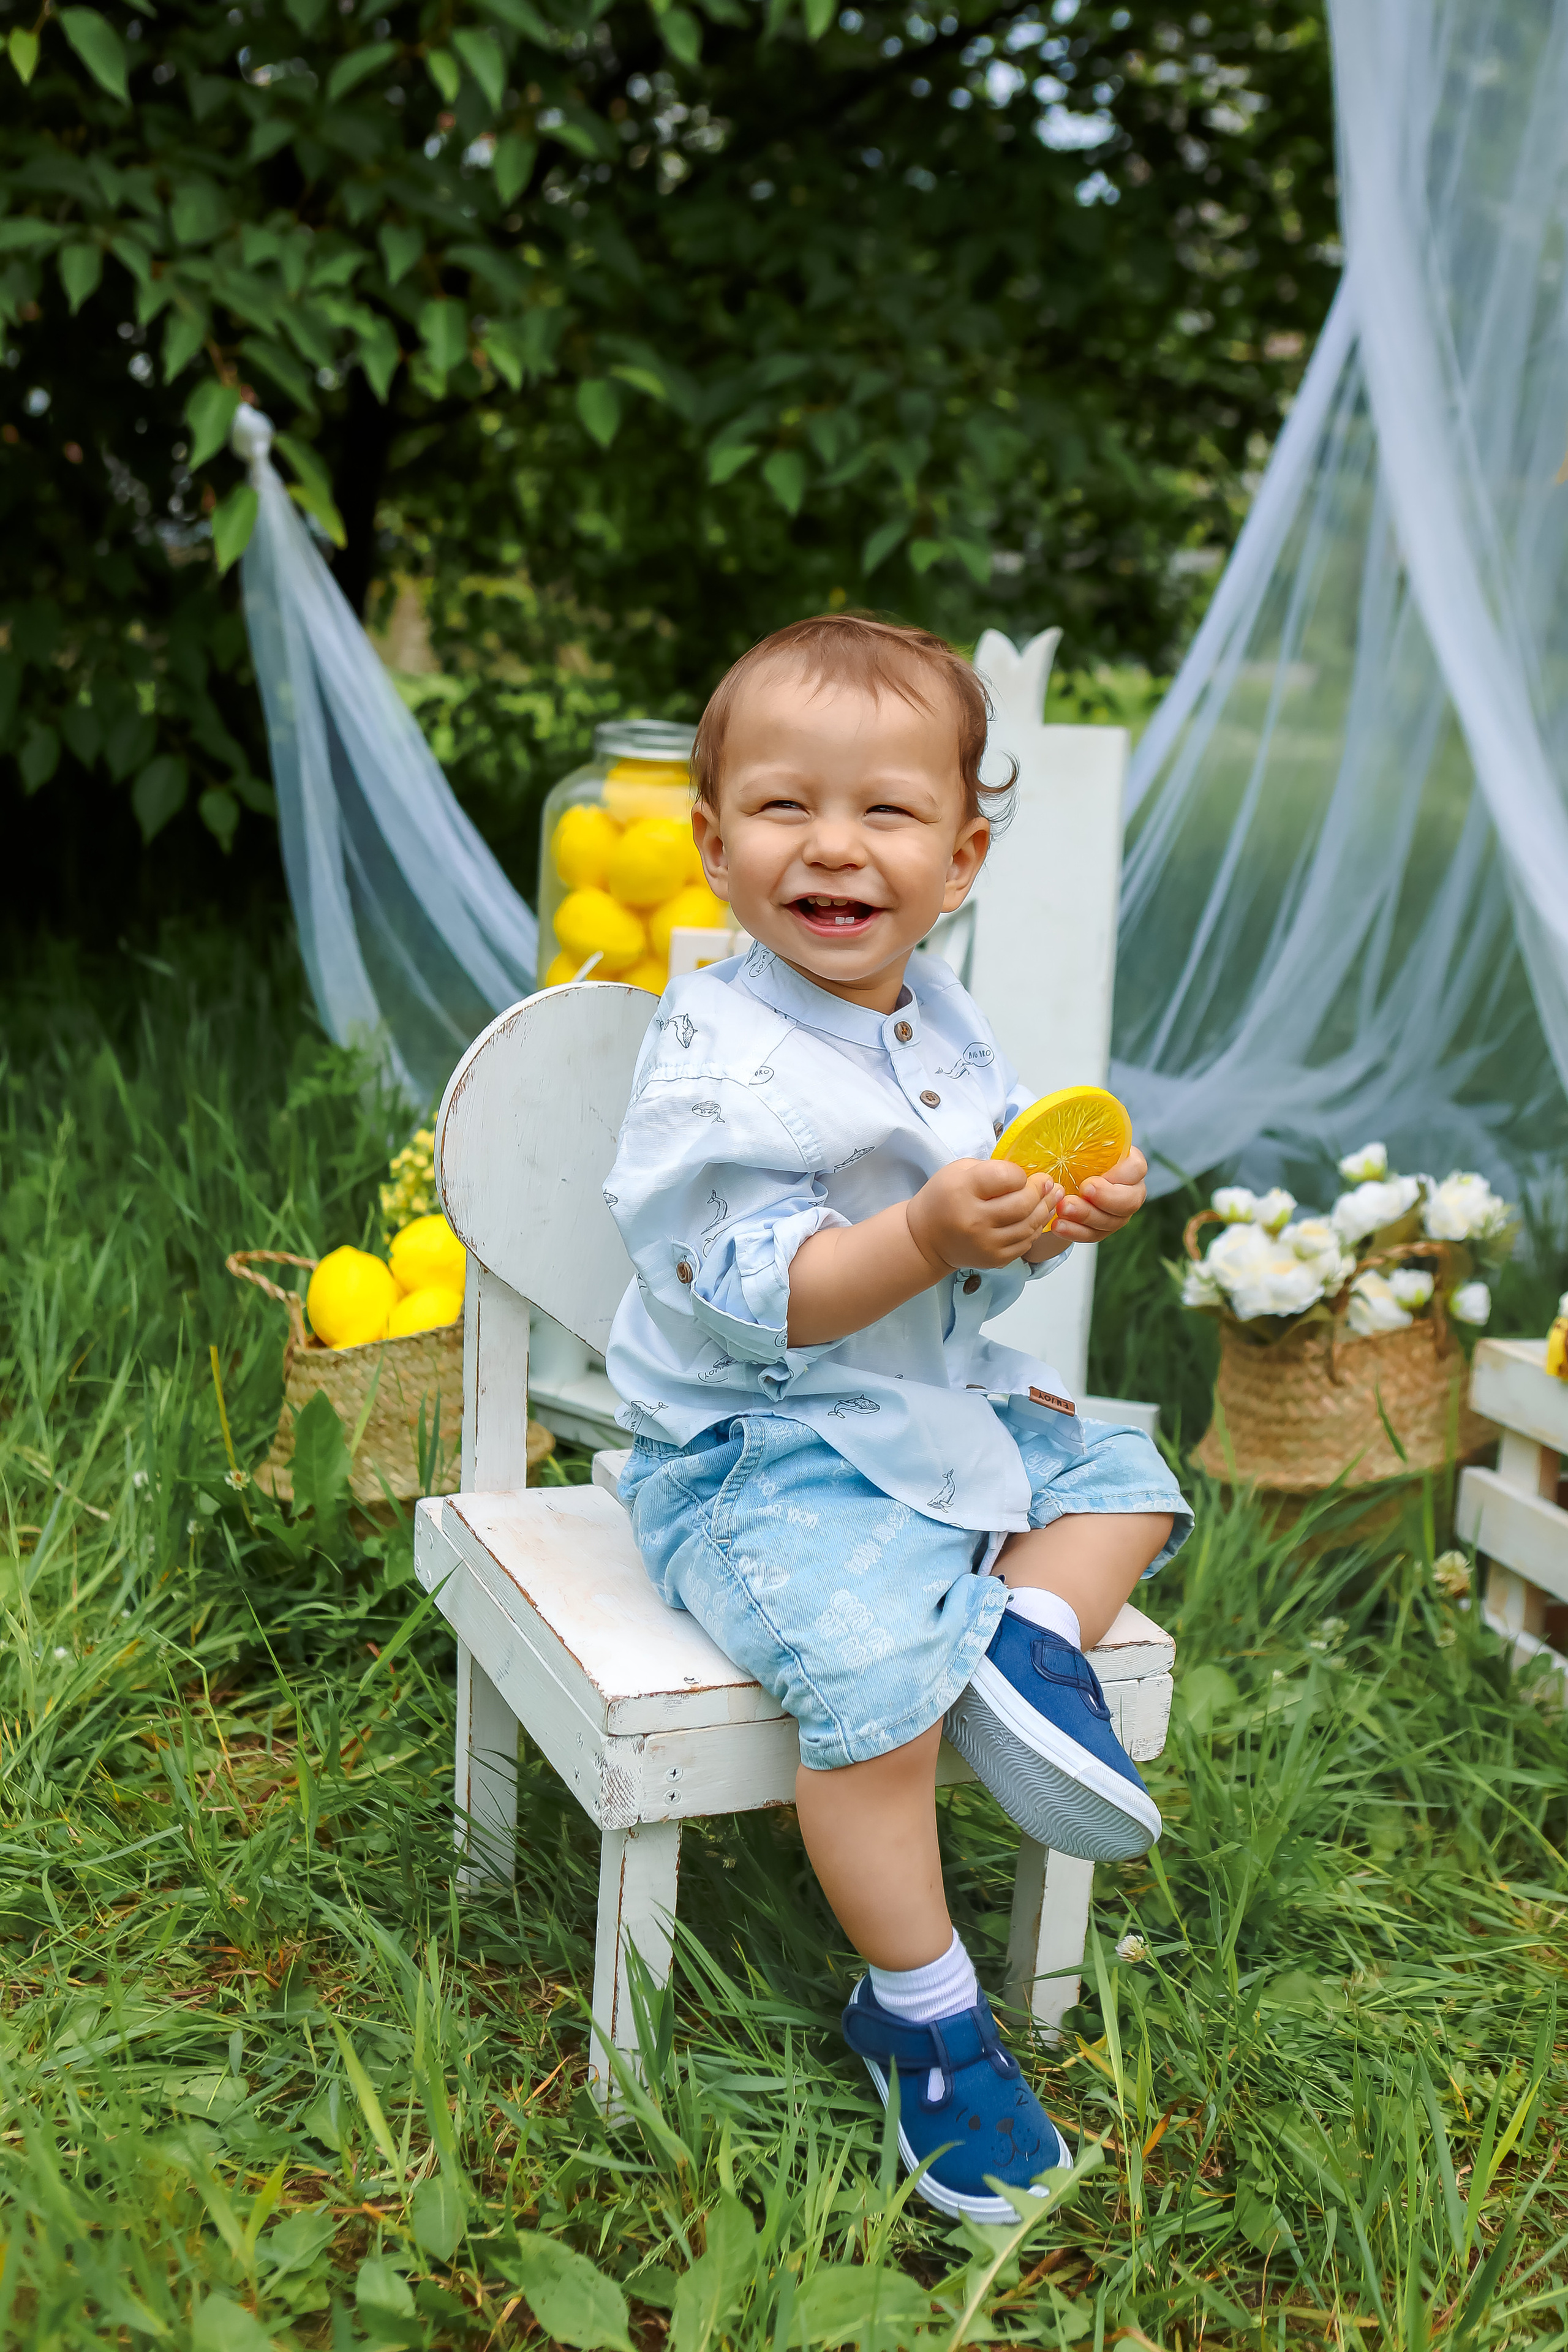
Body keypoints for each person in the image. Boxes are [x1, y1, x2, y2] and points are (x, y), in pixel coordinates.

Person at [603, 614, 1191, 2221]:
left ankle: (1021, 1641)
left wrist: (1054, 1201)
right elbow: (762, 1292)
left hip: (925, 1403)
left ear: (963, 853)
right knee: (870, 1688)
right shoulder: (717, 1058)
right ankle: (923, 2011)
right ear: (715, 843)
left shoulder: (932, 1014)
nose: (834, 847)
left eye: (887, 813)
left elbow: (971, 1204)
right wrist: (934, 1235)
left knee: (1130, 1472)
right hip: (759, 1451)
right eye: (787, 807)